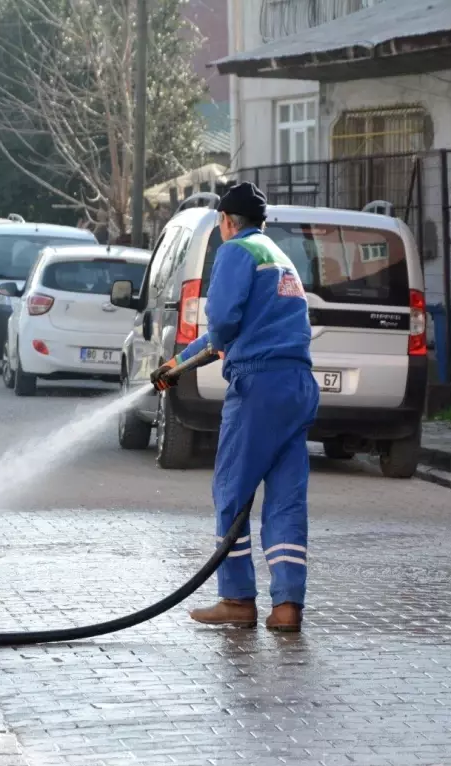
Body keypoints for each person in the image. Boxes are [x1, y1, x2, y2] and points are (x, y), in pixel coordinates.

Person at [150, 183, 319, 632]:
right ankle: (287, 607)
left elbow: (223, 323)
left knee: (232, 491)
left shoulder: (235, 253)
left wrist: (207, 349)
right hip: (296, 385)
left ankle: (237, 599)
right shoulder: (278, 258)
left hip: (258, 385)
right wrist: (177, 365)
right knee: (285, 499)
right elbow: (228, 333)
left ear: (227, 220)